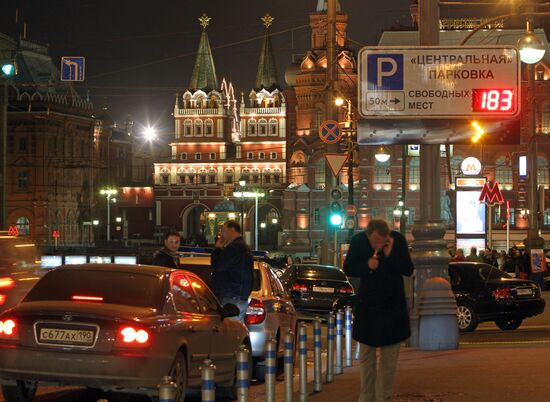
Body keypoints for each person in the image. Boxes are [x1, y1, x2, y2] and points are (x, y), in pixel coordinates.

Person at [343, 218, 414, 402]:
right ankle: (366, 397)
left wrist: (390, 255)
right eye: (374, 241)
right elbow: (348, 267)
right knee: (367, 358)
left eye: (381, 241)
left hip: (393, 309)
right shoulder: (359, 241)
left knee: (389, 360)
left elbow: (408, 269)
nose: (378, 245)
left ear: (387, 236)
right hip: (368, 308)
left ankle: (384, 397)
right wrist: (367, 266)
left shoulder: (397, 240)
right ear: (368, 235)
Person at [211, 220, 253, 322]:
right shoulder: (243, 247)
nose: (222, 235)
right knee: (237, 329)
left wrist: (217, 249)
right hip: (239, 296)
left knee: (230, 330)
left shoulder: (234, 247)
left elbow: (218, 266)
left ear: (232, 230)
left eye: (223, 231)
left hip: (231, 297)